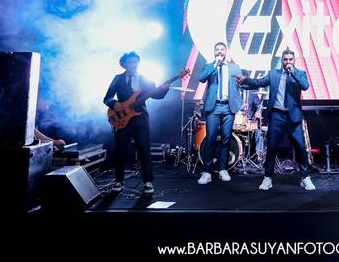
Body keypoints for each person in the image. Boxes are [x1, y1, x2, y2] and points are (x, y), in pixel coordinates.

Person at [103, 51, 188, 195]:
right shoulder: (117, 79)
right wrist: (114, 104)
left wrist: (165, 88)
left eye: (136, 62)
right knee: (120, 150)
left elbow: (157, 95)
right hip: (121, 119)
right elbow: (107, 98)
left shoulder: (144, 79)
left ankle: (147, 182)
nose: (134, 65)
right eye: (130, 62)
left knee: (144, 149)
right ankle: (118, 181)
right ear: (124, 64)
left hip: (140, 119)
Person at [236, 48, 314, 191]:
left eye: (290, 59)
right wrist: (245, 80)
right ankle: (268, 178)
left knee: (300, 148)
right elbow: (259, 82)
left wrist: (293, 72)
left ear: (294, 60)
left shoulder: (300, 74)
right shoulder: (274, 74)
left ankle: (305, 178)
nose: (288, 62)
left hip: (293, 116)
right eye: (285, 60)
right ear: (282, 61)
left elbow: (305, 86)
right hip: (277, 115)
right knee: (271, 147)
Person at [196, 42, 243, 185]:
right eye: (217, 49)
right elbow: (201, 78)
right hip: (214, 107)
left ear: (226, 51)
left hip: (228, 107)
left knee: (226, 139)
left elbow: (241, 82)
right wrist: (214, 65)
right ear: (214, 52)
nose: (219, 52)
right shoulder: (209, 66)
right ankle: (207, 172)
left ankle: (223, 169)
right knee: (210, 138)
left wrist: (238, 102)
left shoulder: (234, 67)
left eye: (222, 49)